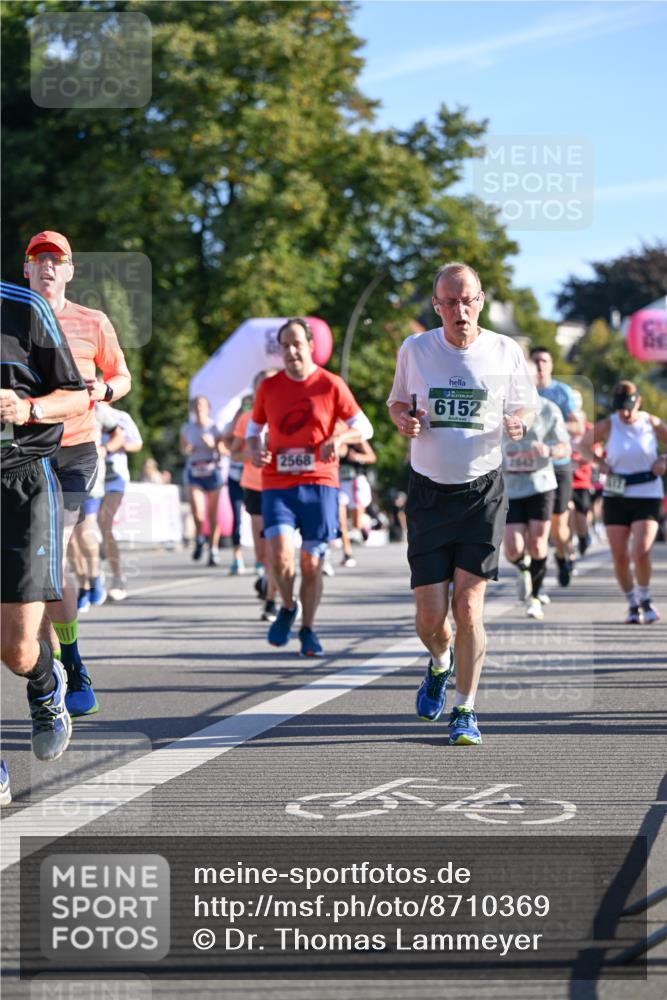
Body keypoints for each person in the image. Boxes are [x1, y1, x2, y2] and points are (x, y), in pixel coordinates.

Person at [387, 262, 537, 746]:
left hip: (481, 493)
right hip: (429, 493)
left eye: (467, 300)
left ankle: (465, 709)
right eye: (450, 302)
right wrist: (403, 420)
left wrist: (519, 421)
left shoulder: (504, 350)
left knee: (469, 606)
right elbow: (396, 402)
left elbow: (527, 404)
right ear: (436, 306)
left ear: (481, 301)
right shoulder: (416, 349)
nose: (460, 310)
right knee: (430, 618)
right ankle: (439, 662)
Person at [23, 231, 131, 717]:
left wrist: (103, 390)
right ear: (26, 269)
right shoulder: (10, 320)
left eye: (56, 259)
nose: (47, 265)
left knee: (50, 550)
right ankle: (50, 669)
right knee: (32, 563)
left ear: (69, 270)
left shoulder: (93, 321)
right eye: (38, 258)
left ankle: (71, 660)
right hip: (22, 453)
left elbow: (122, 377)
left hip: (74, 451)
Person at [247, 318, 373, 657]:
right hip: (278, 484)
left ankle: (308, 629)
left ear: (310, 346)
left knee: (311, 564)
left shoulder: (330, 384)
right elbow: (254, 429)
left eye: (297, 344)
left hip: (320, 483)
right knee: (279, 554)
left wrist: (340, 437)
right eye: (285, 346)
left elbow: (365, 427)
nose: (291, 351)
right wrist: (255, 448)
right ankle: (288, 606)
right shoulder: (269, 387)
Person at [1, 279, 88, 765]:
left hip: (22, 484)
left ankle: (45, 682)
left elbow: (76, 397)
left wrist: (28, 407)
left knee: (16, 649)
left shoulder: (25, 308)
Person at [580, 381, 666, 624]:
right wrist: (599, 463)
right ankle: (632, 603)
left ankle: (645, 597)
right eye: (620, 408)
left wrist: (663, 460)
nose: (625, 413)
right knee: (619, 556)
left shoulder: (651, 423)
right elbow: (583, 446)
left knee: (641, 551)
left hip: (647, 492)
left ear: (638, 402)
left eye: (629, 407)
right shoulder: (609, 424)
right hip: (616, 493)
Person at [502, 361, 571, 620]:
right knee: (513, 548)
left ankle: (535, 596)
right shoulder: (499, 408)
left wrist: (550, 450)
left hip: (541, 484)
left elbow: (565, 447)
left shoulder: (549, 409)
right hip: (510, 485)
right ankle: (523, 568)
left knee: (538, 542)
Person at [529, 347, 583, 587]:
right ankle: (532, 577)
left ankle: (562, 556)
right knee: (534, 525)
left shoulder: (562, 392)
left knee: (558, 524)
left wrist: (551, 427)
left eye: (545, 360)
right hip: (529, 466)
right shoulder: (522, 391)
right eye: (536, 361)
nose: (540, 365)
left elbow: (578, 427)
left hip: (558, 464)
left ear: (551, 365)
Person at [231, 370, 280, 621]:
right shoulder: (246, 419)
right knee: (262, 553)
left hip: (282, 487)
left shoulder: (286, 413)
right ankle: (268, 581)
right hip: (255, 487)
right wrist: (251, 454)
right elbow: (234, 453)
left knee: (277, 548)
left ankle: (272, 599)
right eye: (262, 386)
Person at [98, 403, 143, 601]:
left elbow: (137, 444)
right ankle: (92, 578)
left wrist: (118, 444)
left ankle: (117, 578)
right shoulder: (84, 413)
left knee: (104, 522)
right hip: (91, 478)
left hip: (115, 478)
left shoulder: (121, 416)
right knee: (83, 528)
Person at [180, 396, 224, 566]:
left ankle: (213, 549)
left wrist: (213, 445)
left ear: (208, 408)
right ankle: (199, 537)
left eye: (202, 405)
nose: (199, 408)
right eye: (196, 405)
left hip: (212, 473)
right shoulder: (187, 428)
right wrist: (187, 449)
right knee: (198, 514)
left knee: (212, 515)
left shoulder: (215, 427)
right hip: (194, 473)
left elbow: (224, 451)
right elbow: (183, 449)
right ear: (193, 409)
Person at [338, 436, 377, 567]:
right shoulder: (332, 438)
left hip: (355, 482)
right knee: (341, 522)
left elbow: (372, 457)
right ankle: (347, 553)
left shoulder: (356, 438)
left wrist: (357, 456)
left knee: (356, 523)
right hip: (339, 483)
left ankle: (364, 525)